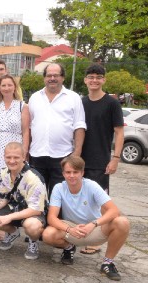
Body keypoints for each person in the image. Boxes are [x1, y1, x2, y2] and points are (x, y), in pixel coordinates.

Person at [42, 155, 131, 281]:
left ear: (82, 173)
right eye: (68, 172)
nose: (71, 176)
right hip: (72, 228)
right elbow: (51, 218)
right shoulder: (59, 188)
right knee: (48, 234)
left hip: (94, 228)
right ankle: (68, 248)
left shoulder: (92, 185)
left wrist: (93, 224)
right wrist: (69, 229)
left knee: (122, 222)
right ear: (63, 173)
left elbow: (114, 210)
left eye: (75, 172)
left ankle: (107, 263)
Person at [78, 64, 125, 255]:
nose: (94, 80)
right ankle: (81, 235)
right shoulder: (81, 102)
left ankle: (98, 240)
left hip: (101, 160)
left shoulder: (112, 103)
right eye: (91, 77)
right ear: (85, 80)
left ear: (104, 79)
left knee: (101, 202)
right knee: (82, 200)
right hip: (79, 160)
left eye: (98, 77)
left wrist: (115, 158)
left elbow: (119, 132)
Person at [28, 63, 86, 197]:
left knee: (58, 197)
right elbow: (30, 126)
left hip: (63, 156)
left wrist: (76, 154)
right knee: (36, 196)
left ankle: (56, 218)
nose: (52, 78)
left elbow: (79, 126)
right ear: (44, 78)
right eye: (49, 75)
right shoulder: (35, 98)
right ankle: (38, 218)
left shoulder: (73, 98)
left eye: (56, 75)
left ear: (63, 77)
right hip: (37, 155)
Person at [0, 142, 48, 260]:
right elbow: (2, 197)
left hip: (31, 212)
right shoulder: (4, 172)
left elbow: (36, 210)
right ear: (4, 157)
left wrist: (9, 217)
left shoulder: (34, 178)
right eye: (8, 157)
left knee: (32, 226)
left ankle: (33, 241)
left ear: (24, 157)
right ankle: (13, 232)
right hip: (14, 208)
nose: (12, 161)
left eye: (16, 157)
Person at [0, 74, 30, 193]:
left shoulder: (22, 106)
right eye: (3, 85)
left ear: (14, 87)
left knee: (12, 175)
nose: (6, 88)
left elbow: (26, 131)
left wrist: (24, 151)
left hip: (14, 146)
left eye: (9, 85)